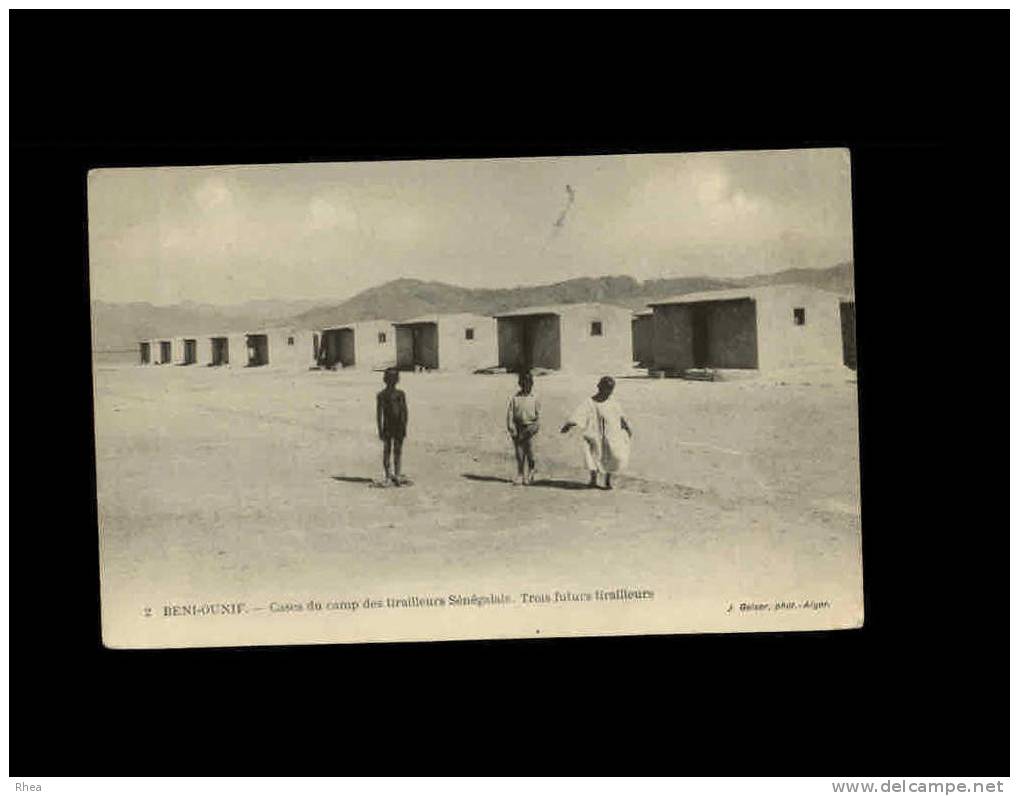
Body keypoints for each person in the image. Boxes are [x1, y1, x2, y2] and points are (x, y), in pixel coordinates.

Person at [560, 375, 633, 489]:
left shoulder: (613, 402)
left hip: (611, 434)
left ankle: (608, 481)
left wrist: (627, 427)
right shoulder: (590, 402)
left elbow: (621, 416)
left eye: (611, 389)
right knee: (593, 456)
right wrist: (569, 424)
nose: (609, 392)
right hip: (594, 434)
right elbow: (580, 413)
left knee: (612, 457)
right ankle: (593, 479)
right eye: (607, 389)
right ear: (600, 388)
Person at [506, 371, 541, 485]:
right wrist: (511, 427)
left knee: (530, 452)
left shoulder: (535, 398)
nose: (527, 386)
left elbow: (538, 416)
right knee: (519, 452)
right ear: (520, 384)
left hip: (530, 427)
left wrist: (534, 427)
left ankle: (531, 471)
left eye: (530, 383)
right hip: (518, 427)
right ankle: (520, 473)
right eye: (525, 383)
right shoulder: (515, 398)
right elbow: (510, 414)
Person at [376, 368, 408, 486]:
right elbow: (379, 414)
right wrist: (380, 429)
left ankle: (396, 474)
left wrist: (404, 426)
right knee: (389, 450)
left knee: (395, 450)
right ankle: (389, 475)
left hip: (396, 425)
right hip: (390, 426)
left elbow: (404, 412)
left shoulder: (400, 394)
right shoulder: (381, 395)